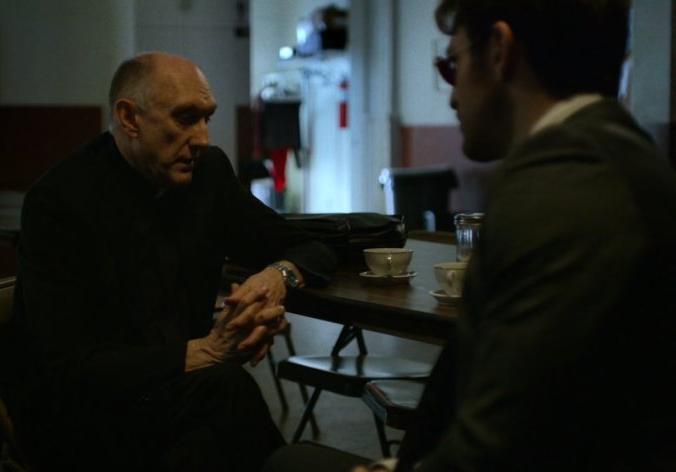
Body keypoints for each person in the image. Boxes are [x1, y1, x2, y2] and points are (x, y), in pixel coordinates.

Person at [265, 0, 676, 470]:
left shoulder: (565, 192)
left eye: (452, 64)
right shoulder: (618, 158)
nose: (452, 96)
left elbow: (504, 445)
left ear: (499, 51)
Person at [0, 52, 337, 471]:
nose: (202, 139)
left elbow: (312, 248)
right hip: (79, 413)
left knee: (210, 433)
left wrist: (275, 278)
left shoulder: (206, 174)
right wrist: (206, 351)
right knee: (224, 398)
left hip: (176, 395)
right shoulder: (61, 202)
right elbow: (69, 369)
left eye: (206, 119)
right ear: (130, 118)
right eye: (185, 118)